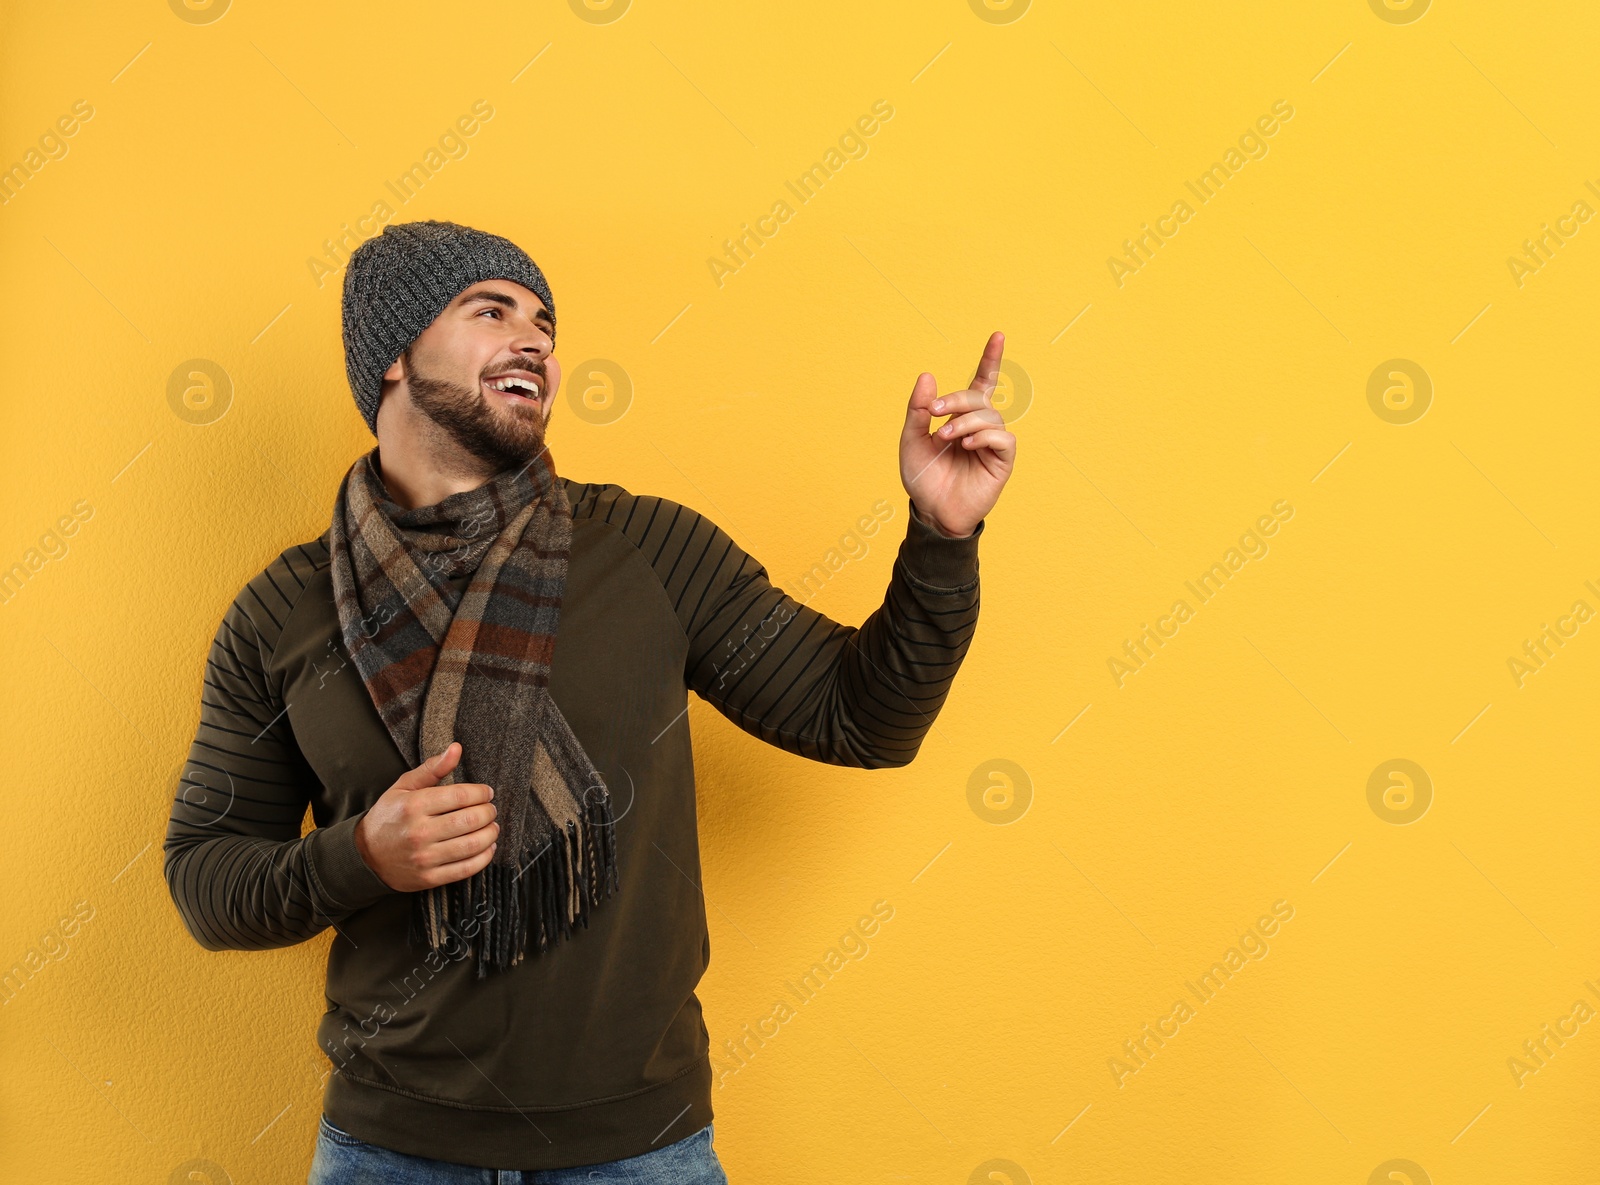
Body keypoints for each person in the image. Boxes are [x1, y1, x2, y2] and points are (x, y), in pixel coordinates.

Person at [162, 219, 1016, 1182]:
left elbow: (863, 719)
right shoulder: (286, 611)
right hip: (390, 1151)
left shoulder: (648, 550)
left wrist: (941, 538)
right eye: (491, 310)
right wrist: (360, 856)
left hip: (637, 1151)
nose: (534, 341)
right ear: (395, 355)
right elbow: (207, 881)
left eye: (545, 323)